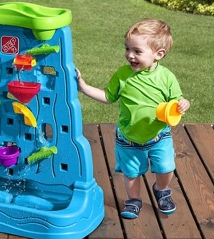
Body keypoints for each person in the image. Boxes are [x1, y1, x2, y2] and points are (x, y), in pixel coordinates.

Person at [76, 19, 190, 219]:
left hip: (159, 136)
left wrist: (183, 103)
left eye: (137, 51)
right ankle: (134, 200)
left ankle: (162, 190)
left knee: (166, 168)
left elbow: (176, 101)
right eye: (127, 49)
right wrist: (83, 87)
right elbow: (108, 97)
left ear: (158, 54)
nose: (130, 55)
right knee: (131, 173)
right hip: (128, 138)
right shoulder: (122, 75)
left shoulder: (166, 78)